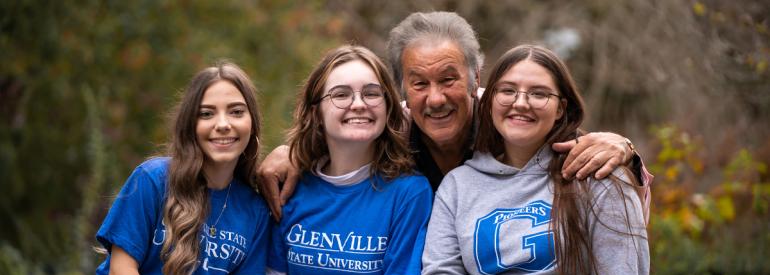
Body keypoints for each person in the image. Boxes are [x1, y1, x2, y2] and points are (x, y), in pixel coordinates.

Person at [342, 44, 659, 275]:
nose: (521, 102)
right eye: (508, 91)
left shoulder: (596, 176)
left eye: (539, 93)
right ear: (489, 101)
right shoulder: (461, 184)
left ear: (561, 108)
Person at [257, 11, 649, 221]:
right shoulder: (392, 132)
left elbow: (581, 147)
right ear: (402, 91)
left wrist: (624, 148)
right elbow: (334, 138)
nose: (436, 98)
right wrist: (292, 151)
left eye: (449, 79)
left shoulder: (511, 121)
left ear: (475, 77)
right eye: (419, 84)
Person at [61, 61, 268, 275]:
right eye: (207, 114)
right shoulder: (154, 179)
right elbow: (121, 270)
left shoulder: (255, 208)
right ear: (191, 125)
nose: (222, 125)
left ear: (251, 124)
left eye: (236, 111)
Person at [246, 45, 433, 275]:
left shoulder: (408, 191)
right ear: (316, 111)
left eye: (371, 93)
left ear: (389, 107)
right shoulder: (291, 187)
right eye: (341, 94)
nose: (358, 104)